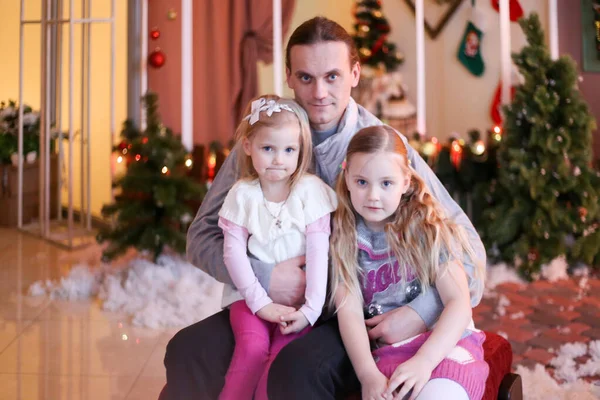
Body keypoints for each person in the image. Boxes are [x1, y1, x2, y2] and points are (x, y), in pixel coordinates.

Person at [164, 16, 486, 399]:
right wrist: (264, 276)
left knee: (295, 372)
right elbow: (201, 235)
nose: (318, 92)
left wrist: (418, 313)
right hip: (268, 304)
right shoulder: (265, 140)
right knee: (186, 351)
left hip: (349, 314)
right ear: (287, 76)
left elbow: (470, 255)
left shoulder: (382, 147)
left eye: (332, 76)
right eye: (305, 78)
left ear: (354, 74)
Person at [330, 126, 488, 400]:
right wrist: (367, 374)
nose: (373, 195)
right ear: (347, 178)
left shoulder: (427, 226)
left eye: (386, 183)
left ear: (406, 182)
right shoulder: (345, 236)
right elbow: (350, 313)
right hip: (389, 354)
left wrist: (424, 362)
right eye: (362, 182)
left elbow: (459, 303)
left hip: (444, 345)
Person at [217, 94, 336, 400]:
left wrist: (310, 310)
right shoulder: (242, 195)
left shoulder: (310, 192)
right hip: (250, 299)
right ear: (248, 146)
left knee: (284, 362)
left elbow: (318, 253)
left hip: (299, 305)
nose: (278, 159)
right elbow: (233, 254)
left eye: (288, 150)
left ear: (300, 151)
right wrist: (261, 303)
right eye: (267, 148)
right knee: (253, 350)